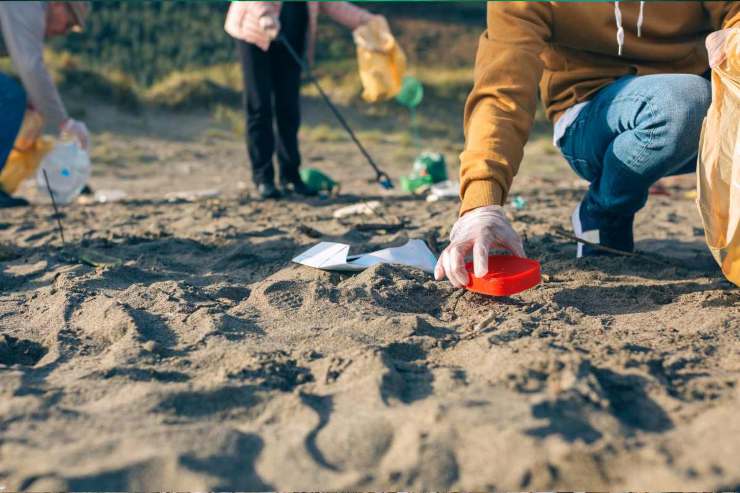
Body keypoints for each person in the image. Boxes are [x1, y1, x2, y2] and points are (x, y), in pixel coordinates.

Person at [435, 2, 740, 288]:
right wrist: (481, 203)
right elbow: (502, 92)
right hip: (590, 116)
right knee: (683, 103)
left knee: (697, 100)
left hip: (704, 107)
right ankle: (604, 211)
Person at [224, 2, 384, 200]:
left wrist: (365, 19)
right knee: (260, 106)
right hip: (254, 31)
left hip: (291, 32)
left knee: (289, 108)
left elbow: (331, 3)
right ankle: (263, 178)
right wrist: (264, 13)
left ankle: (290, 177)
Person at [0, 1, 90, 208]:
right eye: (68, 24)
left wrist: (36, 97)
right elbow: (31, 66)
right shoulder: (27, 6)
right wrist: (64, 122)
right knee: (9, 96)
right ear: (58, 5)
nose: (63, 32)